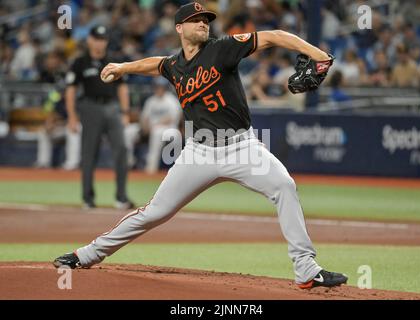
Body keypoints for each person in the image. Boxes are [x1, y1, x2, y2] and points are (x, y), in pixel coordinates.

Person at [54, 3, 348, 289]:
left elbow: (275, 36)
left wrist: (318, 54)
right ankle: (87, 254)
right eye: (196, 20)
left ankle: (306, 269)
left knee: (284, 186)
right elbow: (155, 64)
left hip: (242, 147)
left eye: (206, 19)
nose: (203, 23)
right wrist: (123, 67)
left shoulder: (222, 48)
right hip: (198, 152)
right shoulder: (175, 65)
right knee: (155, 212)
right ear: (180, 28)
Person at [64, 25, 134, 210]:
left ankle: (121, 197)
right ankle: (87, 198)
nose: (100, 42)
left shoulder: (112, 61)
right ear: (89, 40)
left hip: (111, 107)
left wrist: (126, 112)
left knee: (121, 149)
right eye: (97, 38)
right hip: (90, 107)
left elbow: (122, 87)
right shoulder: (80, 62)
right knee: (89, 154)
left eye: (103, 39)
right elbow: (70, 91)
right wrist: (72, 116)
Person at [124, 77, 182, 173]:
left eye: (161, 87)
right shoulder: (151, 101)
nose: (158, 89)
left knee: (156, 132)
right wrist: (145, 126)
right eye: (157, 87)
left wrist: (154, 125)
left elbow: (172, 118)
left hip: (169, 130)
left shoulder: (171, 100)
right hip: (150, 128)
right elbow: (144, 117)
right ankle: (128, 161)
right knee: (128, 131)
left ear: (165, 88)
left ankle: (151, 168)